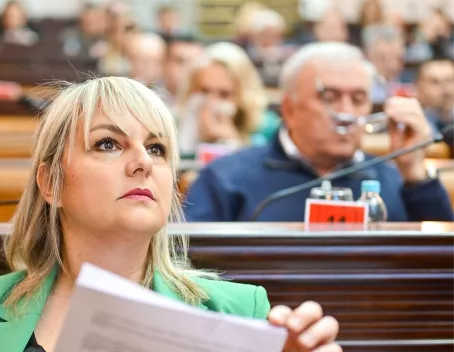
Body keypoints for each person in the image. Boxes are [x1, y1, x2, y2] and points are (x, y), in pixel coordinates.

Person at [0, 76, 341, 352]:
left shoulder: (238, 314)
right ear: (51, 184)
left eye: (157, 148)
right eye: (107, 144)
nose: (142, 163)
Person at [184, 42, 454, 223]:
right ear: (289, 109)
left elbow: (443, 266)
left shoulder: (393, 179)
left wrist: (416, 176)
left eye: (358, 99)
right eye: (330, 97)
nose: (346, 113)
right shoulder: (226, 178)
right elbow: (189, 272)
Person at [176, 42, 281, 157]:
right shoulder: (175, 124)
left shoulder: (267, 128)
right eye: (204, 91)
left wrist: (234, 144)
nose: (212, 101)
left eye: (224, 94)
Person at [363, 24, 412, 103]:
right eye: (382, 59)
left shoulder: (410, 83)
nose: (392, 66)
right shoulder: (361, 85)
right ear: (367, 56)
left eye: (398, 59)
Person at [415, 58, 454, 156]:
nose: (445, 89)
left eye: (450, 81)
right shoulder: (411, 125)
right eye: (435, 82)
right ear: (419, 87)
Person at [161, 33, 204, 109]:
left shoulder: (206, 104)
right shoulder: (150, 101)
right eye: (180, 61)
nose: (189, 68)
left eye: (195, 62)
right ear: (165, 63)